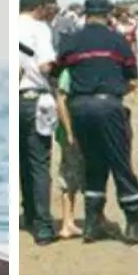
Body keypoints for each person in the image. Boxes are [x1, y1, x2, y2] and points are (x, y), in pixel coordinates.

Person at [56, 0, 138, 245]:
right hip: (108, 106)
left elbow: (59, 72)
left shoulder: (71, 42)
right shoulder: (117, 41)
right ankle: (133, 225)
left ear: (86, 14)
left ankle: (92, 224)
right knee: (120, 164)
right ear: (108, 15)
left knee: (94, 166)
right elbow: (132, 78)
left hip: (79, 109)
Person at [18, 0, 59, 245]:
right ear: (37, 8)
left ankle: (30, 213)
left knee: (23, 162)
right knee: (39, 163)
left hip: (16, 99)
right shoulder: (39, 29)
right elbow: (45, 65)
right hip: (37, 97)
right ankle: (43, 226)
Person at [54, 63, 85, 239]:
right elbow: (61, 100)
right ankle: (67, 223)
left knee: (79, 174)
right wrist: (69, 131)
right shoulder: (69, 72)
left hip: (79, 131)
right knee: (69, 176)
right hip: (71, 132)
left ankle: (71, 220)